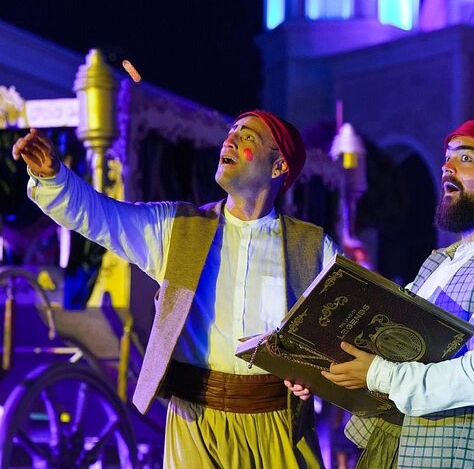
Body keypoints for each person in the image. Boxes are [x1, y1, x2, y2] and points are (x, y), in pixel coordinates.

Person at [13, 110, 340, 468]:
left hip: (278, 423)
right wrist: (53, 178)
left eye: (248, 137)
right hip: (194, 423)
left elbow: (345, 329)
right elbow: (103, 217)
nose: (230, 140)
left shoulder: (313, 248)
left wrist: (313, 372)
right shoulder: (179, 228)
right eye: (231, 132)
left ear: (278, 166)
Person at [291, 115, 474, 468]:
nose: (447, 167)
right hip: (393, 452)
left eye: (466, 158)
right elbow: (381, 347)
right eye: (447, 157)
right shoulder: (440, 263)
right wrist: (315, 370)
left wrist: (378, 374)